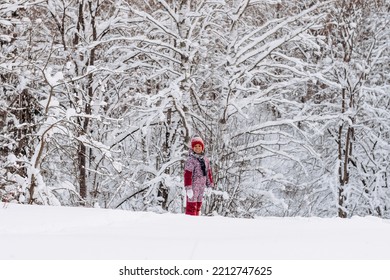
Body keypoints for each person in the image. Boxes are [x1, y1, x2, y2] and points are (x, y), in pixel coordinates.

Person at [184, 135, 214, 216]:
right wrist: (188, 188)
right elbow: (187, 175)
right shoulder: (191, 160)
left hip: (201, 187)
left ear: (202, 147)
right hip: (193, 187)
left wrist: (209, 185)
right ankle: (190, 223)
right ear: (192, 148)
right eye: (195, 146)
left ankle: (197, 224)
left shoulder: (205, 160)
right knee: (191, 207)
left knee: (198, 206)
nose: (197, 148)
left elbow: (208, 173)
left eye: (199, 146)